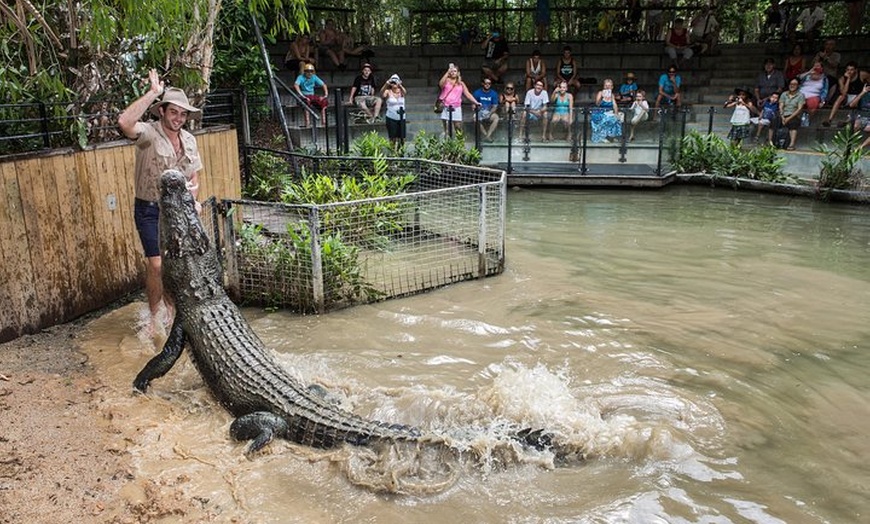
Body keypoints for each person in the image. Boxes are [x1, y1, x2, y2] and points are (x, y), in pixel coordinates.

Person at [117, 69, 202, 337]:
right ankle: (155, 316)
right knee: (156, 264)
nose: (179, 118)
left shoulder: (189, 139)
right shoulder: (149, 134)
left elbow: (194, 177)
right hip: (150, 209)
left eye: (183, 113)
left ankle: (172, 309)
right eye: (174, 112)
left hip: (178, 212)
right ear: (162, 111)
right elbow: (125, 122)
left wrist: (193, 202)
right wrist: (153, 93)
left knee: (174, 263)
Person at [437, 63, 479, 135]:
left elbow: (467, 94)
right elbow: (440, 84)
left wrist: (476, 102)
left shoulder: (461, 83)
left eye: (455, 71)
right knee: (447, 127)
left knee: (458, 127)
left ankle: (459, 143)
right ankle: (447, 143)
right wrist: (447, 72)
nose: (453, 73)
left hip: (456, 107)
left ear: (458, 73)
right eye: (452, 71)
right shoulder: (446, 81)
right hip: (446, 106)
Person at [822, 62, 862, 126]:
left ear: (855, 70)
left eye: (851, 70)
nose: (850, 72)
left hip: (859, 96)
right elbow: (844, 92)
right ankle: (830, 119)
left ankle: (847, 121)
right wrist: (848, 79)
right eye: (848, 70)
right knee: (841, 97)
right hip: (847, 96)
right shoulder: (842, 79)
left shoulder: (862, 75)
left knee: (856, 100)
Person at [294, 62, 329, 127]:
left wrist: (325, 95)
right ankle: (307, 123)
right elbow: (296, 85)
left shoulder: (314, 77)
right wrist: (302, 95)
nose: (309, 73)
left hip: (312, 95)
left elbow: (324, 85)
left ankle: (324, 122)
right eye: (307, 71)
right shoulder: (300, 77)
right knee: (306, 102)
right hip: (303, 96)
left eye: (311, 71)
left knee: (324, 101)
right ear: (304, 72)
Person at [590, 78, 623, 143]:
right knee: (606, 118)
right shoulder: (600, 93)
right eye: (606, 85)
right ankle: (602, 137)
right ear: (604, 86)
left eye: (609, 86)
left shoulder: (612, 95)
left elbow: (614, 105)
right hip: (600, 112)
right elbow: (597, 104)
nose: (607, 87)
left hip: (609, 112)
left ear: (612, 87)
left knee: (617, 118)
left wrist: (616, 113)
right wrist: (602, 97)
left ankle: (611, 136)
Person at [779, 77, 806, 150]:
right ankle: (770, 142)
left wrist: (788, 118)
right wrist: (782, 117)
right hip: (783, 114)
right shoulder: (784, 94)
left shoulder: (800, 95)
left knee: (793, 123)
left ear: (798, 86)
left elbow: (799, 109)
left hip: (794, 115)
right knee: (774, 121)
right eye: (791, 84)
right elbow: (781, 106)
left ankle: (792, 144)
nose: (792, 85)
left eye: (795, 84)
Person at [382, 73, 406, 149]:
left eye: (395, 82)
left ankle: (401, 153)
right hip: (391, 117)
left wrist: (400, 85)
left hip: (401, 117)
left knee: (402, 137)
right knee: (393, 137)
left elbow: (405, 92)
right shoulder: (388, 91)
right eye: (393, 82)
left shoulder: (401, 91)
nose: (394, 84)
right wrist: (386, 84)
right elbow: (382, 95)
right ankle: (392, 153)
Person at [846, 83, 870, 149]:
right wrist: (863, 92)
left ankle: (860, 148)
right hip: (860, 117)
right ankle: (849, 146)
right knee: (855, 125)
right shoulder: (863, 95)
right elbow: (852, 105)